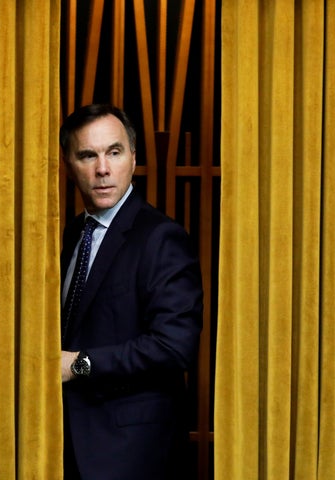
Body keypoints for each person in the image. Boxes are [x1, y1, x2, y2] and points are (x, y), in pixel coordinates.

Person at [59, 104, 203, 479]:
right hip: (63, 444)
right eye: (87, 155)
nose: (102, 168)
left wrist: (79, 365)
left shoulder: (161, 237)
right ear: (68, 164)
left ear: (133, 158)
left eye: (114, 152)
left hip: (131, 454)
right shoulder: (74, 233)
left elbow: (174, 346)